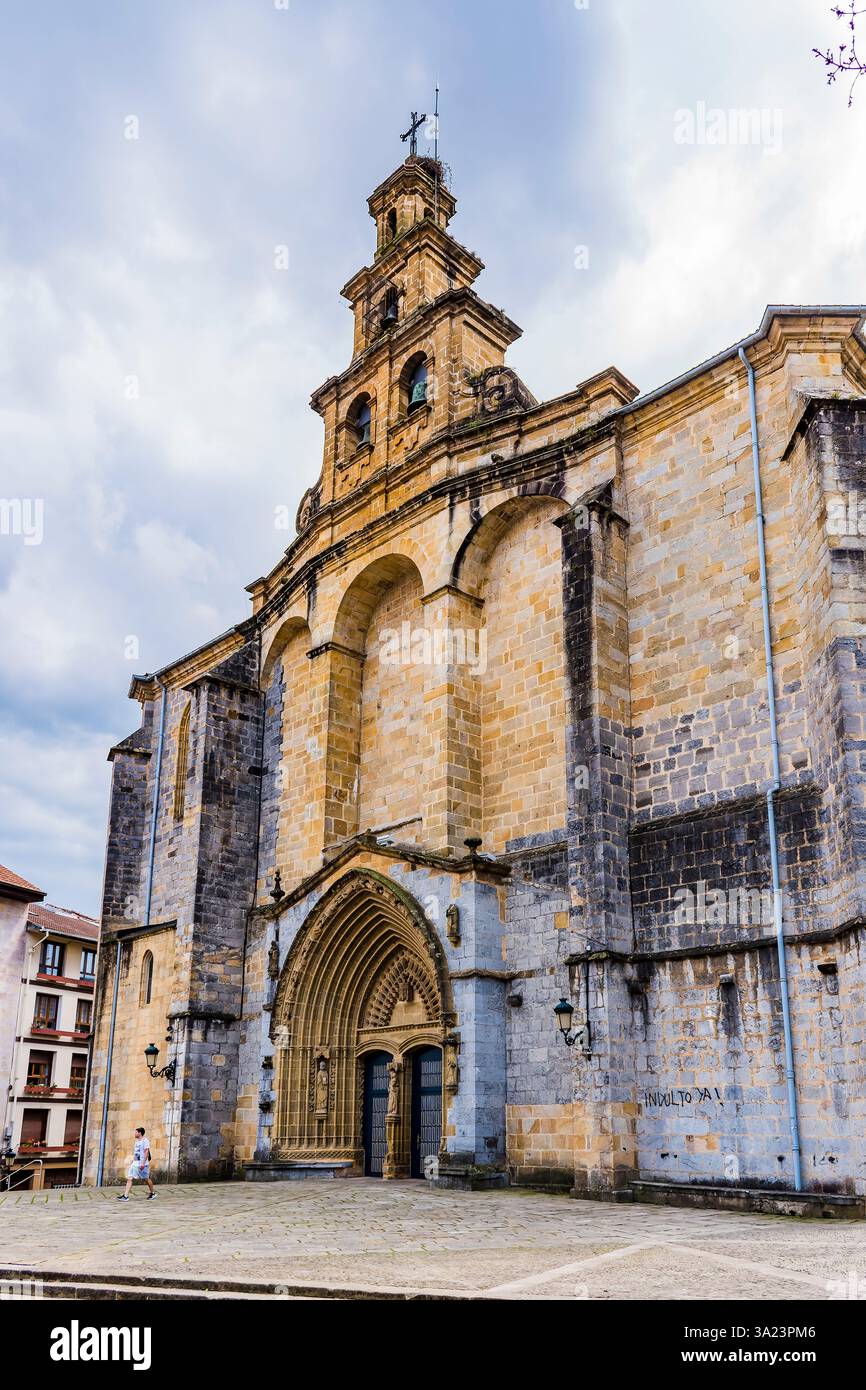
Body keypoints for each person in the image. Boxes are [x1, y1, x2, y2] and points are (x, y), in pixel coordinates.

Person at [117, 1126, 155, 1200]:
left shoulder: (145, 1140)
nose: (135, 1133)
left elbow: (146, 1152)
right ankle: (125, 1196)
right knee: (130, 1178)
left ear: (140, 1133)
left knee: (146, 1179)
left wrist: (143, 1163)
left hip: (142, 1164)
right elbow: (136, 1153)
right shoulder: (137, 1141)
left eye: (136, 1132)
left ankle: (152, 1193)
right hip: (135, 1163)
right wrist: (133, 1160)